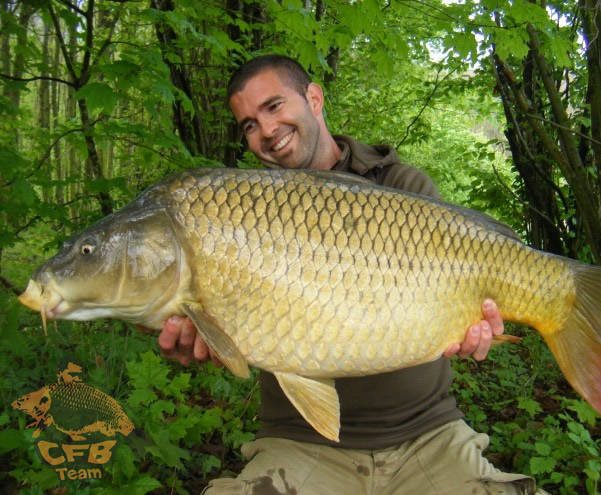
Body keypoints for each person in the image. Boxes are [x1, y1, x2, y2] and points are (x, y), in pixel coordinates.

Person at [157, 55, 542, 494]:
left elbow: (467, 292)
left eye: (273, 106)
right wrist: (202, 333)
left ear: (314, 98)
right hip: (300, 443)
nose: (265, 130)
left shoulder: (403, 186)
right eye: (248, 124)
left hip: (428, 436)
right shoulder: (237, 218)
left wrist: (476, 326)